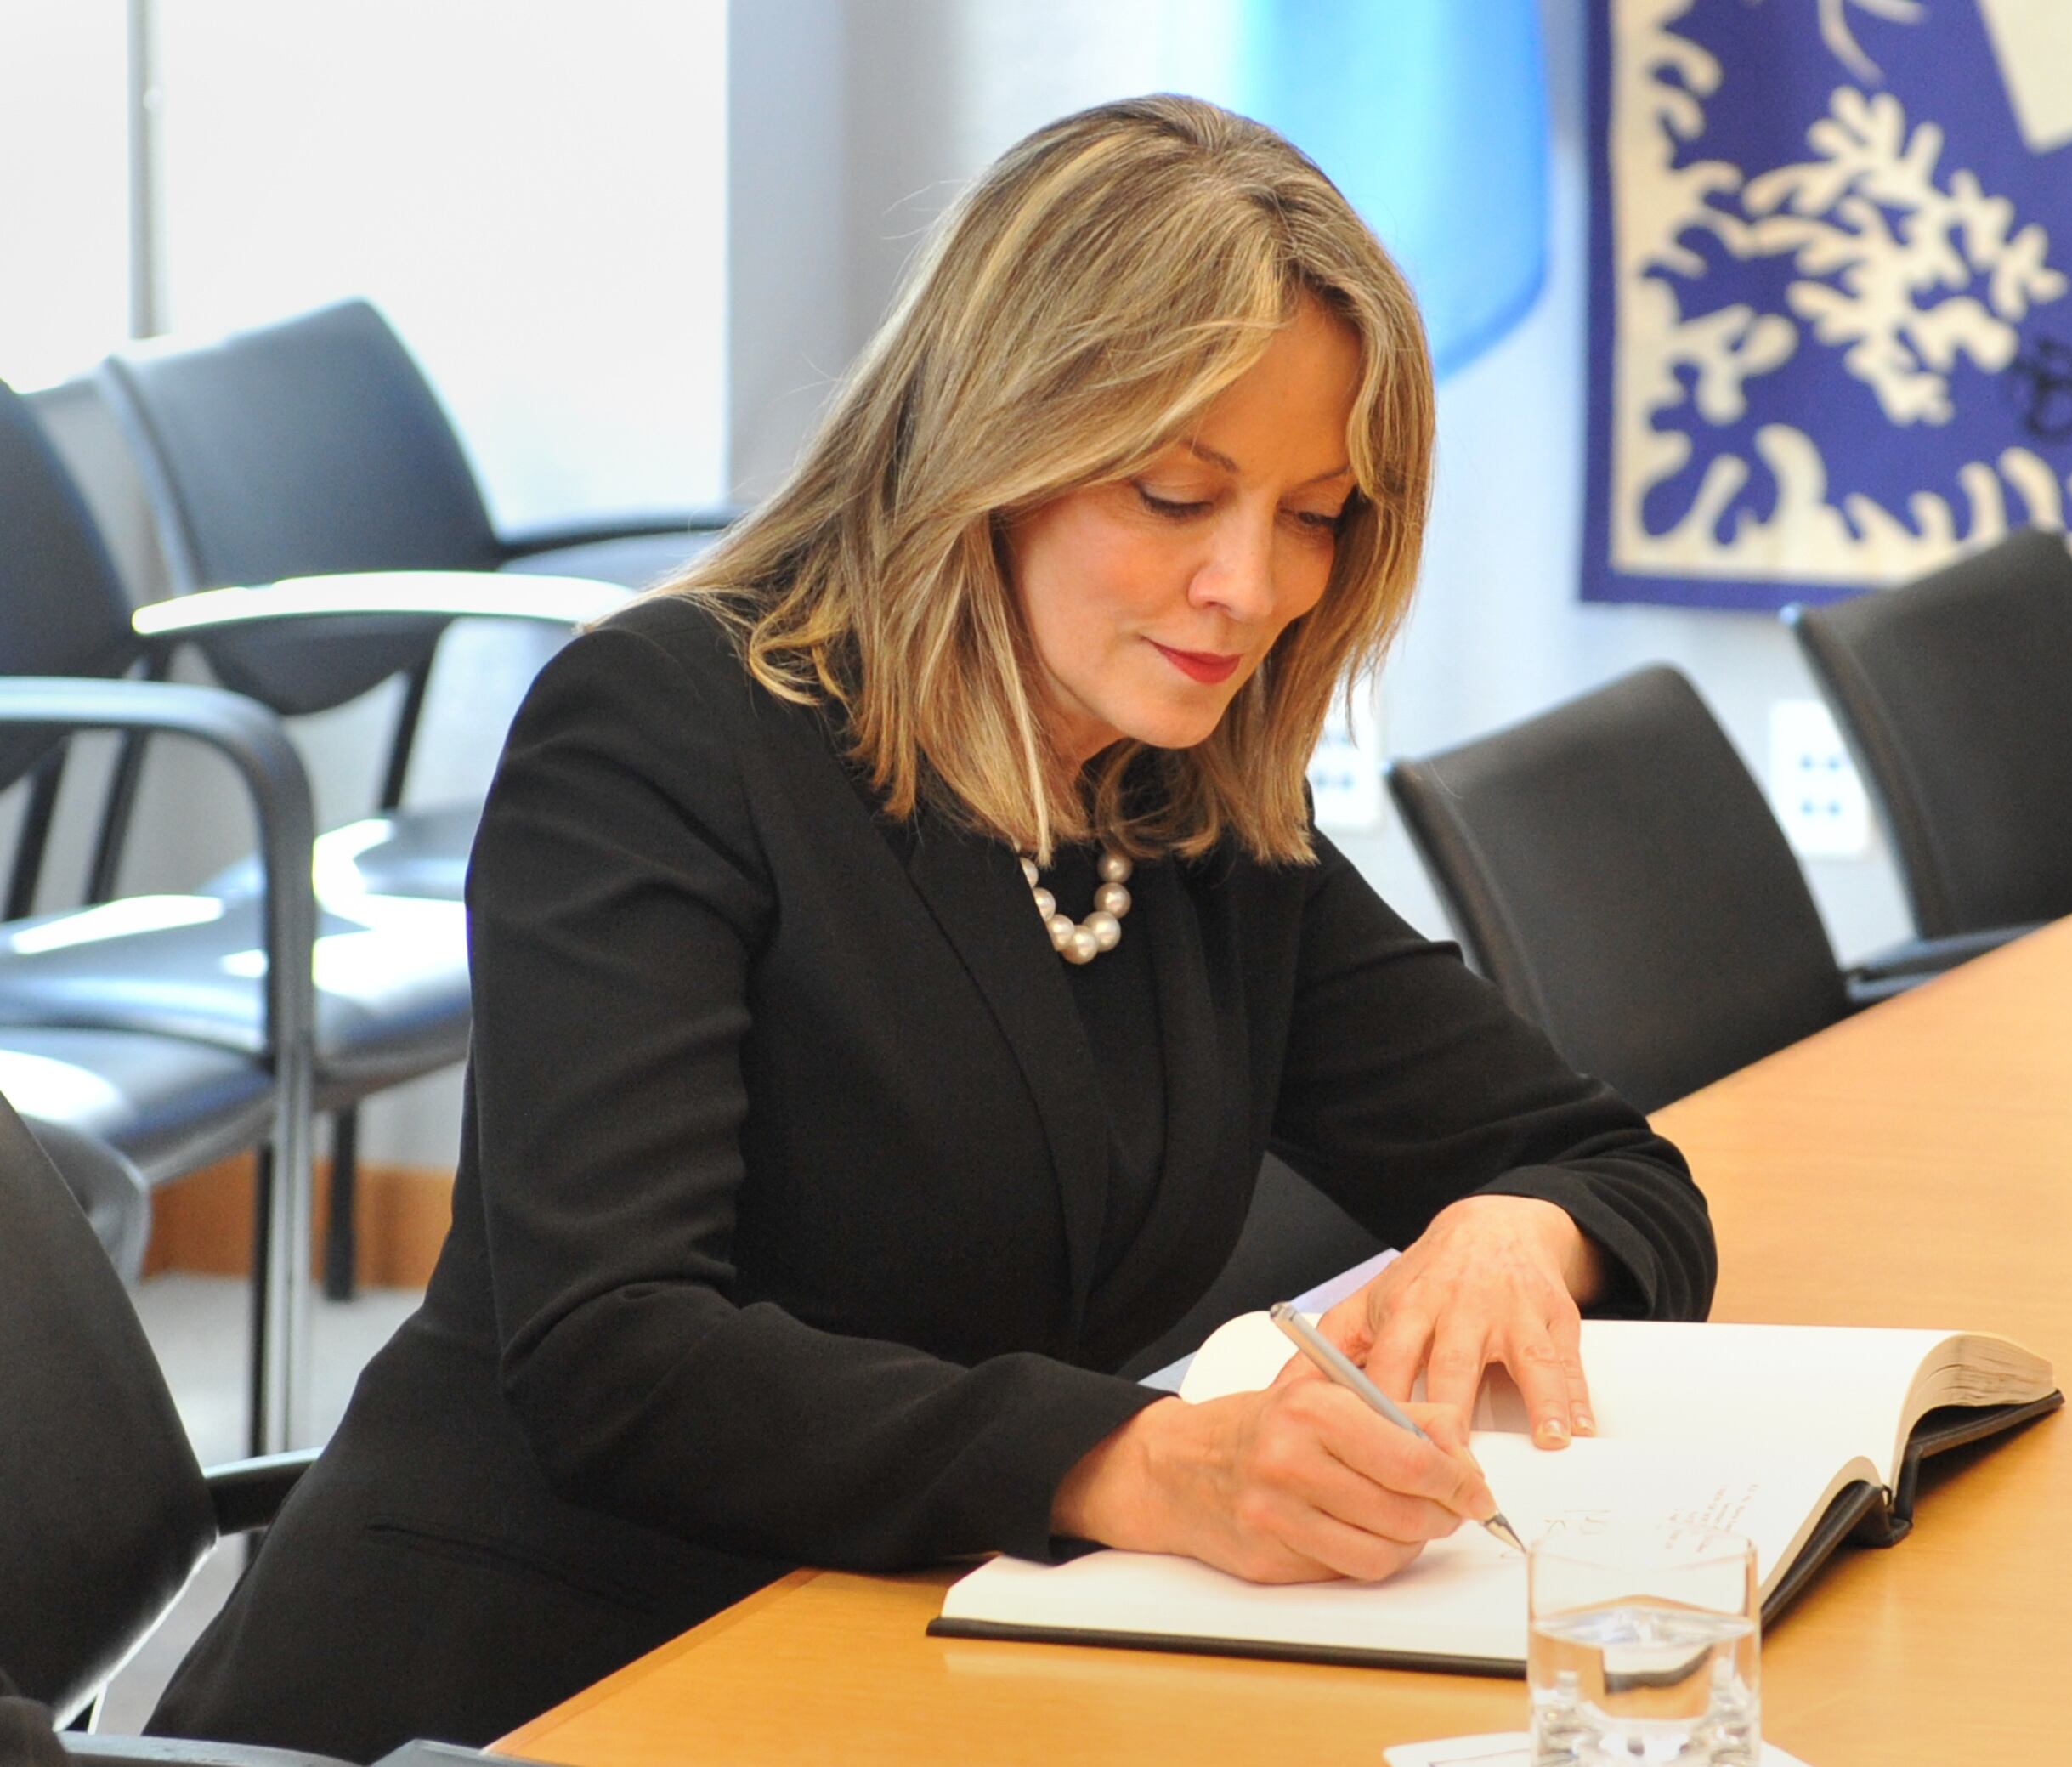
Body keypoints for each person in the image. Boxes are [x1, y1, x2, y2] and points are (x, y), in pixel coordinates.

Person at [150, 95, 1715, 1759]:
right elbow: (619, 1352)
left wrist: (1511, 1226)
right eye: (1177, 493)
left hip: (904, 1646)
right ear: (995, 448)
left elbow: (1614, 1169)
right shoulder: (668, 731)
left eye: (1315, 513)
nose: (1252, 586)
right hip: (523, 1675)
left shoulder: (1185, 808)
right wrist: (1130, 1457)